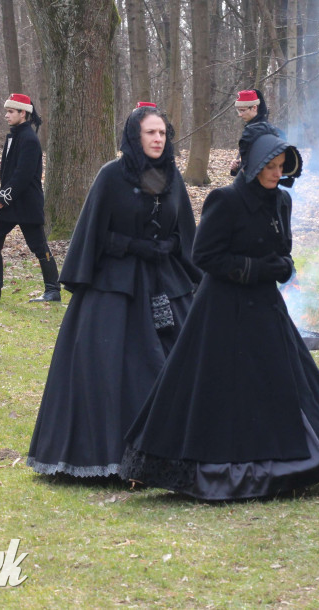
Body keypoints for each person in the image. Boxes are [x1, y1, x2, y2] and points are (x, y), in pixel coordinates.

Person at [121, 133, 319, 501]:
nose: (275, 174)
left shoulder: (281, 200)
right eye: (270, 167)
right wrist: (257, 269)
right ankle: (222, 467)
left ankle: (284, 461)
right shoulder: (225, 200)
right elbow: (204, 255)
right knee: (220, 385)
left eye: (281, 168)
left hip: (265, 307)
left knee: (277, 380)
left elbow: (283, 248)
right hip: (223, 309)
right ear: (253, 165)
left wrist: (283, 267)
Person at [27, 105, 201, 478]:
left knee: (181, 361)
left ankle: (174, 452)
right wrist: (131, 246)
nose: (158, 139)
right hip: (117, 286)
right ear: (134, 136)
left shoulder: (172, 176)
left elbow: (184, 232)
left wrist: (174, 255)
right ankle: (111, 457)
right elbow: (94, 232)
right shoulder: (111, 175)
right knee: (112, 367)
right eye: (150, 133)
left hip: (165, 283)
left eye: (162, 133)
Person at [0, 93, 60, 303]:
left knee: (39, 246)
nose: (6, 116)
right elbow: (15, 169)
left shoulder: (29, 139)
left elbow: (24, 175)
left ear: (22, 114)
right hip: (11, 203)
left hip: (26, 203)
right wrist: (1, 169)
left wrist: (3, 196)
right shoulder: (14, 136)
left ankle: (53, 290)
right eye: (6, 111)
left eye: (10, 112)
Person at [229, 89, 284, 178]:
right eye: (238, 111)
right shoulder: (252, 129)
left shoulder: (261, 132)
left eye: (242, 110)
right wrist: (237, 168)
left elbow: (260, 168)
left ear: (254, 108)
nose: (240, 115)